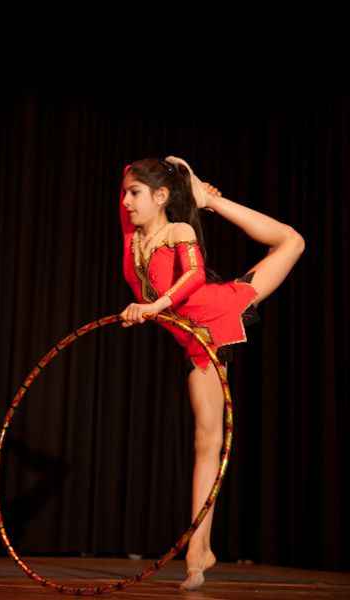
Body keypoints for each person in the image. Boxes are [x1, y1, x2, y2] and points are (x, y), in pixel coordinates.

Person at [119, 156, 305, 591]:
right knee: (205, 440)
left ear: (160, 197)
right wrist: (175, 168)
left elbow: (194, 276)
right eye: (124, 193)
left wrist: (152, 306)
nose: (125, 201)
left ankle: (197, 551)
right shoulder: (132, 235)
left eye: (134, 193)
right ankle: (201, 549)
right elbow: (133, 176)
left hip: (216, 317)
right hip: (193, 338)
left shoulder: (179, 232)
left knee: (292, 241)